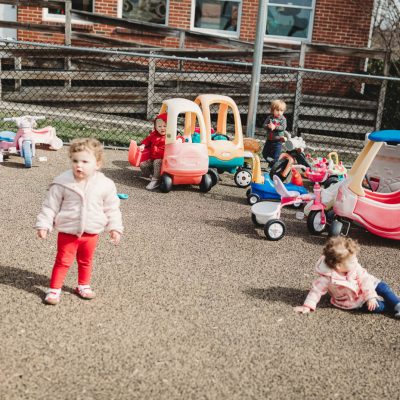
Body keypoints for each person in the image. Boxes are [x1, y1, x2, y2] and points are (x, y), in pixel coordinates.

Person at [35, 138, 123, 305]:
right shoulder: (62, 182)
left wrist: (115, 228)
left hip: (91, 233)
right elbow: (50, 206)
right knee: (63, 261)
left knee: (86, 260)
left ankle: (83, 285)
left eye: (84, 161)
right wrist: (44, 225)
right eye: (75, 161)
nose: (78, 165)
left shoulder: (105, 184)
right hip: (68, 232)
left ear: (97, 164)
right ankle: (54, 288)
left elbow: (112, 208)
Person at [294, 236, 400, 318]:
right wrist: (307, 306)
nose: (356, 262)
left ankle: (397, 304)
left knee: (384, 288)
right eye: (352, 261)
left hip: (367, 286)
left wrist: (370, 296)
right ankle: (391, 308)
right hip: (353, 300)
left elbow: (365, 280)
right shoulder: (327, 278)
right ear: (338, 266)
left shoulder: (354, 267)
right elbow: (316, 291)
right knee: (375, 307)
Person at [138, 112, 167, 190]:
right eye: (159, 126)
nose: (162, 128)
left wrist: (180, 140)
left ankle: (156, 180)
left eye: (165, 126)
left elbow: (179, 138)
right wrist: (143, 145)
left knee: (157, 162)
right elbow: (147, 140)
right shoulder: (154, 135)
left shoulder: (170, 136)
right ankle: (152, 176)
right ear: (156, 127)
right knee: (143, 165)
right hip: (153, 158)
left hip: (164, 159)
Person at [262, 99, 287, 167]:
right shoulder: (270, 117)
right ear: (273, 110)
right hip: (269, 140)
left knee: (275, 156)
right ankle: (274, 164)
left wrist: (275, 127)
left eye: (281, 111)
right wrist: (268, 126)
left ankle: (271, 167)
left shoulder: (283, 119)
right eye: (277, 110)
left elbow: (283, 127)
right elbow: (264, 125)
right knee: (264, 154)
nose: (279, 112)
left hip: (278, 141)